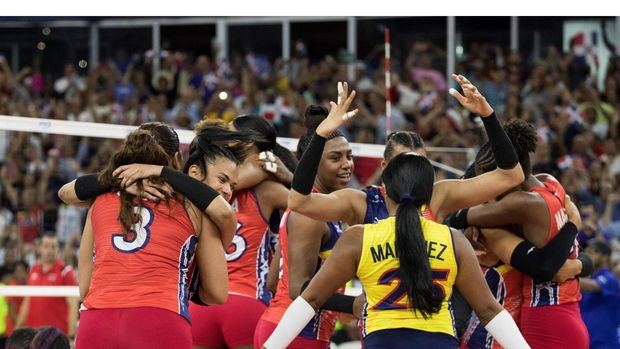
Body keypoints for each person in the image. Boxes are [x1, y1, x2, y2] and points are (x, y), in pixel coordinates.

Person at [263, 153, 529, 349]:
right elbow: (488, 310)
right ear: (428, 195)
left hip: (383, 340)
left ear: (385, 190)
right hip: (440, 341)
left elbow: (310, 299)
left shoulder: (359, 237)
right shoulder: (453, 239)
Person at [287, 75, 524, 229]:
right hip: (382, 307)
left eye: (418, 162)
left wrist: (488, 116)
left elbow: (511, 176)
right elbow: (299, 202)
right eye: (402, 162)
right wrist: (320, 135)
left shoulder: (439, 195)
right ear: (384, 167)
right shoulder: (361, 202)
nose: (410, 170)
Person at [75, 128, 233, 349]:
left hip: (97, 322)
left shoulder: (99, 202)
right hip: (160, 320)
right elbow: (218, 293)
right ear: (177, 159)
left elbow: (84, 288)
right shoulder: (194, 207)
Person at [449, 120, 589, 348]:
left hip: (534, 324)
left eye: (486, 180)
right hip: (569, 313)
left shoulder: (514, 208)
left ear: (505, 175)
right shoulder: (550, 183)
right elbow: (564, 256)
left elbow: (544, 267)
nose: (485, 186)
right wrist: (581, 262)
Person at [254, 89, 359, 349]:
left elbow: (273, 281)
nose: (347, 164)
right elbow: (296, 288)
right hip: (298, 335)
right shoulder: (309, 215)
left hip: (285, 329)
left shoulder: (319, 207)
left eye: (349, 156)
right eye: (335, 158)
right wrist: (353, 304)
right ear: (312, 164)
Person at [189, 115, 291, 349]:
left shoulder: (203, 184)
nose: (227, 138)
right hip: (246, 301)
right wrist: (290, 177)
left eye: (232, 134)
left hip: (202, 304)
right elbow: (311, 207)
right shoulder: (266, 188)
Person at [57, 122, 239, 247]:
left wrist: (120, 180)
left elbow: (65, 193)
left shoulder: (105, 198)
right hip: (169, 296)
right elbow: (225, 214)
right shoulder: (189, 202)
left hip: (104, 298)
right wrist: (162, 173)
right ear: (177, 158)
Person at [14, 234, 78, 338]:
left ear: (58, 249)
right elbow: (27, 301)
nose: (50, 250)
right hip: (33, 334)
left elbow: (73, 304)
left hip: (56, 335)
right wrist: (17, 329)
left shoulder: (65, 271)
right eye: (46, 246)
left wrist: (71, 335)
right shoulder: (33, 270)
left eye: (53, 246)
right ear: (40, 249)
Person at [580, 240, 620, 349]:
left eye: (592, 252)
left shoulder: (610, 278)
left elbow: (593, 286)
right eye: (586, 252)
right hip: (587, 343)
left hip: (605, 344)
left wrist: (565, 277)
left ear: (605, 257)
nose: (587, 256)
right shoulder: (587, 280)